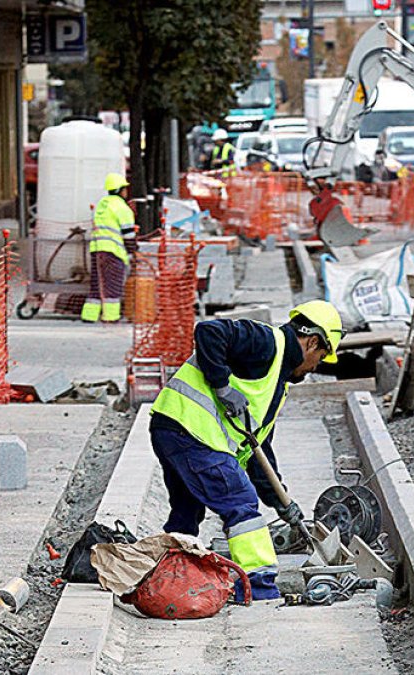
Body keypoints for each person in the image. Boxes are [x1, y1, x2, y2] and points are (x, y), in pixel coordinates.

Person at [148, 301, 344, 601]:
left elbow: (258, 450)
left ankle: (171, 576)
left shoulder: (277, 380)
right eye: (320, 356)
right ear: (312, 341)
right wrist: (222, 387)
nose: (316, 365)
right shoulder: (266, 342)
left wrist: (280, 501)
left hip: (173, 428)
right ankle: (259, 585)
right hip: (190, 432)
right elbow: (208, 330)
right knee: (239, 502)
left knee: (187, 513)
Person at [82, 173, 136, 323]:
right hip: (114, 252)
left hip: (97, 249)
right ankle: (111, 317)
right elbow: (129, 234)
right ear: (120, 190)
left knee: (97, 283)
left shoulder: (102, 204)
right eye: (125, 189)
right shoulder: (121, 208)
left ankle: (89, 316)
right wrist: (132, 252)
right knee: (113, 284)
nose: (126, 192)